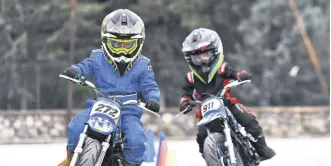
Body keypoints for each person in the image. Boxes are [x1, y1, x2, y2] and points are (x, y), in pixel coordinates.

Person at [58, 9, 160, 166]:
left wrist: (153, 98)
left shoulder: (143, 64)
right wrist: (76, 71)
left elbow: (150, 85)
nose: (121, 51)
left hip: (128, 111)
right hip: (98, 106)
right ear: (105, 40)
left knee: (136, 139)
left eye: (128, 45)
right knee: (75, 126)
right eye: (116, 44)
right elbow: (85, 66)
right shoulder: (97, 57)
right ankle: (71, 159)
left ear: (139, 43)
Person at [178, 28, 275, 161]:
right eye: (197, 58)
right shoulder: (190, 77)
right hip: (205, 111)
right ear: (190, 59)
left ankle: (262, 149)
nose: (202, 61)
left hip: (226, 102)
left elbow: (234, 73)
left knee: (248, 119)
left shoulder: (222, 68)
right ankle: (211, 158)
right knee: (201, 136)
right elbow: (186, 93)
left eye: (205, 56)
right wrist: (185, 102)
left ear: (215, 52)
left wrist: (241, 75)